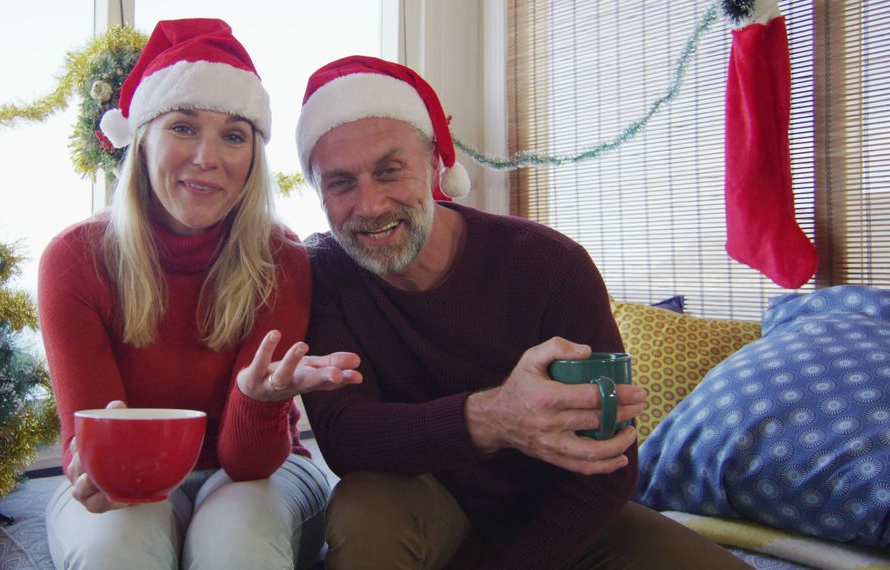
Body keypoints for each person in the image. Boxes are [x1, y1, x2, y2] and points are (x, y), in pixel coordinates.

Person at [295, 55, 753, 569]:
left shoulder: (549, 265)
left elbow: (608, 460)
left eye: (389, 170)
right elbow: (346, 437)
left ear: (431, 164)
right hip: (419, 507)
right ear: (317, 192)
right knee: (364, 508)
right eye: (340, 183)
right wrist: (493, 418)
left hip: (551, 517)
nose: (372, 204)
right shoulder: (322, 274)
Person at [37, 19, 360, 570]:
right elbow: (87, 448)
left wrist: (260, 401)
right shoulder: (75, 260)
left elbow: (248, 460)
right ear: (141, 142)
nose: (208, 157)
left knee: (234, 547)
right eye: (183, 127)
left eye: (234, 135)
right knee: (115, 549)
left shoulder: (279, 258)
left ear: (252, 159)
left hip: (263, 468)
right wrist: (94, 469)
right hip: (132, 474)